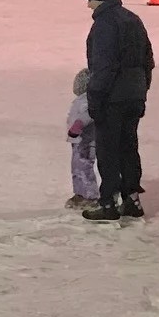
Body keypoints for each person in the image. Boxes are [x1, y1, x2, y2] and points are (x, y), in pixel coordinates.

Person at [81, 0, 155, 221]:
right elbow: (148, 60)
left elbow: (104, 67)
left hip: (112, 97)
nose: (87, 4)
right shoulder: (133, 19)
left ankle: (108, 203)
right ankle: (132, 199)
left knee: (108, 150)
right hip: (134, 94)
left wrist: (94, 98)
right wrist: (141, 90)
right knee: (128, 147)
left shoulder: (105, 24)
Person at [66, 69, 100, 211]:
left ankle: (90, 195)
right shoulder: (80, 100)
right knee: (76, 167)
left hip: (86, 141)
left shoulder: (87, 100)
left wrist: (79, 124)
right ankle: (80, 193)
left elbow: (88, 115)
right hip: (78, 141)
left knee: (84, 167)